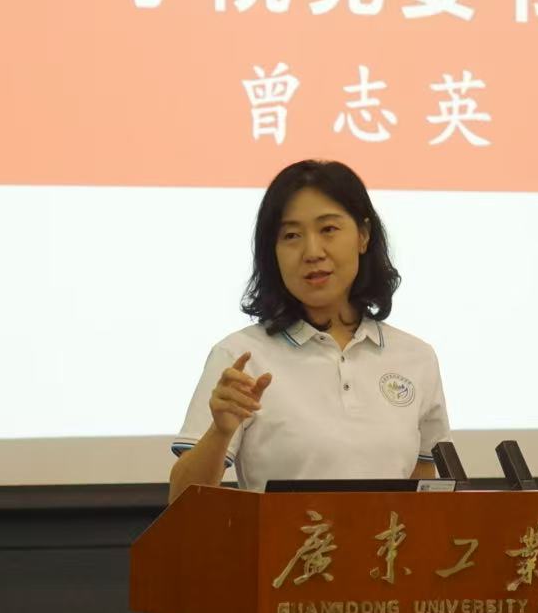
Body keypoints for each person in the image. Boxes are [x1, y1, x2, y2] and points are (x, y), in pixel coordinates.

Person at [169, 160, 450, 501]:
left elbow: (423, 488)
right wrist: (219, 431)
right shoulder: (240, 357)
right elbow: (181, 500)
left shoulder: (416, 357)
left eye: (328, 229)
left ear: (363, 236)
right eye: (291, 236)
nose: (312, 252)